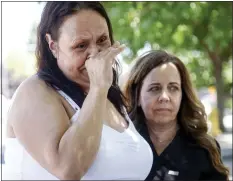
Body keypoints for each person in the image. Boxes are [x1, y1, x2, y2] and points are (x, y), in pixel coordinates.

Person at [3, 2, 153, 180]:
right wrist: (98, 88)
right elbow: (68, 169)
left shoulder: (108, 95)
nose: (95, 54)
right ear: (53, 46)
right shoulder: (34, 91)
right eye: (81, 45)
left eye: (102, 40)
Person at [123, 50, 229, 180]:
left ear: (182, 95)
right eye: (155, 88)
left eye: (173, 88)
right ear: (137, 96)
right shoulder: (121, 145)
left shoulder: (204, 148)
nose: (164, 97)